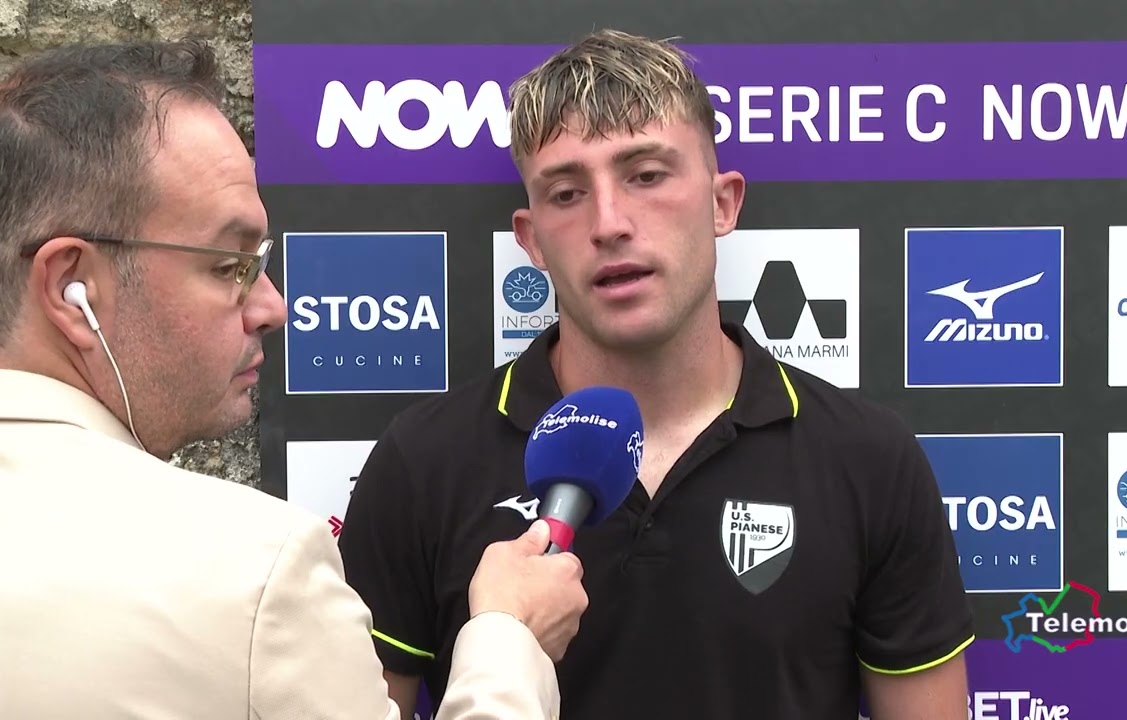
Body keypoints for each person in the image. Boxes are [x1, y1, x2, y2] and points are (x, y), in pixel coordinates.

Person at [338, 28, 974, 720]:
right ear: (531, 239)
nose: (609, 223)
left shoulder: (867, 456)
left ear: (723, 203)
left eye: (646, 175)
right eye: (566, 193)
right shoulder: (423, 460)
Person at [0, 38, 586, 720]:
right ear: (72, 286)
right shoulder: (256, 571)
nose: (274, 306)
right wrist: (509, 639)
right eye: (229, 265)